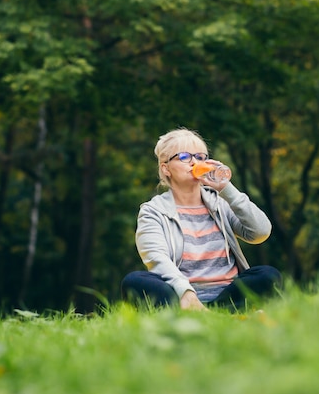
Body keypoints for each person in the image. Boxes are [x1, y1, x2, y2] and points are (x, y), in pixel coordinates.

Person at [121, 127, 282, 311]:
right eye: (184, 157)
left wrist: (227, 189)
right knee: (134, 281)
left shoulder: (220, 202)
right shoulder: (153, 211)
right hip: (180, 295)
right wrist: (185, 292)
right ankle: (202, 312)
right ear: (166, 168)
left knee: (267, 275)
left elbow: (260, 233)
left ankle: (218, 311)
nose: (194, 162)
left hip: (227, 293)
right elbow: (157, 259)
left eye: (200, 157)